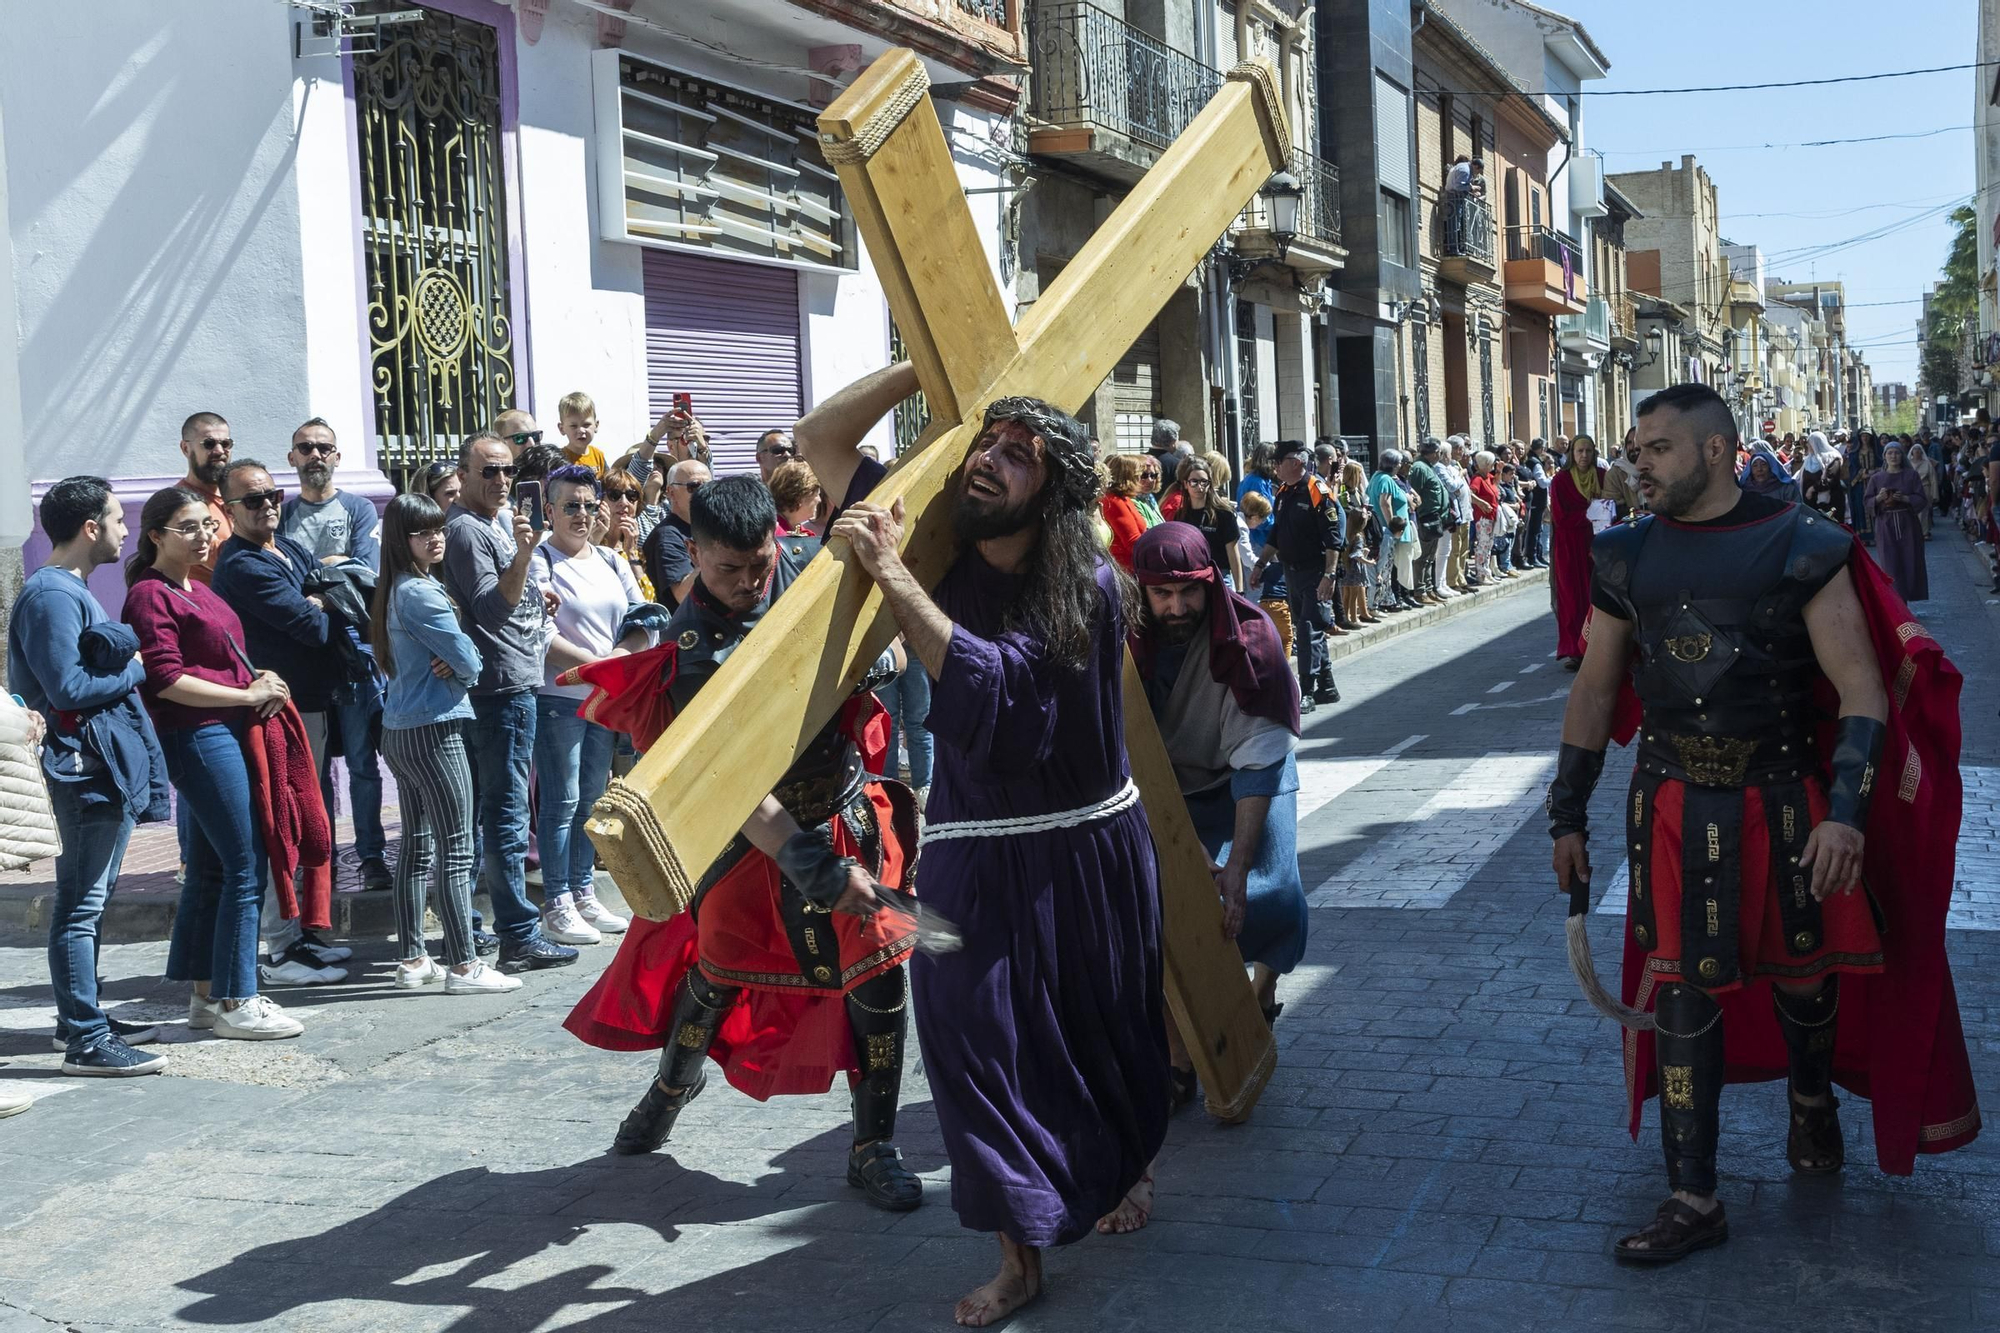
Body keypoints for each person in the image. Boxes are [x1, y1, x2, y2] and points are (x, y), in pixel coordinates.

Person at [1547, 382, 1979, 1264]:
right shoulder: (1623, 556)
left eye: (1657, 446)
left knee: (1804, 975)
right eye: (1636, 445)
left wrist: (1848, 819)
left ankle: (1811, 1101)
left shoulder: (1805, 545)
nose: (1638, 459)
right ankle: (1692, 1194)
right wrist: (1566, 813)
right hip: (1669, 803)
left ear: (1714, 451)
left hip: (1784, 798)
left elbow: (1859, 688)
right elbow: (1595, 688)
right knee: (1680, 987)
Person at [818, 369, 1171, 1325]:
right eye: (989, 443)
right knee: (967, 1036)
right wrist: (924, 373)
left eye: (1018, 454)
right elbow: (819, 442)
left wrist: (890, 575)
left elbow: (1002, 701)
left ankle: (1122, 1160)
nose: (989, 461)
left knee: (1103, 1034)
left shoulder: (1090, 587)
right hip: (969, 857)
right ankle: (1020, 1256)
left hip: (1088, 850)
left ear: (1052, 489)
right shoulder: (943, 546)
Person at [561, 475, 923, 1213]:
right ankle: (670, 1087)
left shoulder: (804, 567)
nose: (750, 582)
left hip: (846, 803)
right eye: (729, 569)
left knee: (880, 970)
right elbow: (731, 784)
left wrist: (876, 659)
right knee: (720, 973)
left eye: (759, 563)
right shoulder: (690, 651)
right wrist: (813, 867)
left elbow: (888, 641)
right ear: (693, 552)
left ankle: (872, 1145)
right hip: (754, 836)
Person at [123, 487, 314, 1041]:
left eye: (207, 525)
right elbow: (164, 679)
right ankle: (239, 997)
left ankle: (207, 995)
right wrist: (246, 697)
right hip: (199, 737)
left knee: (211, 870)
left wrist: (260, 680)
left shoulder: (198, 591)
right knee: (245, 864)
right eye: (188, 527)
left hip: (228, 731)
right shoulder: (149, 595)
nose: (204, 536)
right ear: (156, 535)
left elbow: (227, 661)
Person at [10, 477, 170, 1075]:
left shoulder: (68, 588)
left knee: (91, 902)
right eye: (117, 518)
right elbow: (67, 689)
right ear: (90, 528)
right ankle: (84, 1037)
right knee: (80, 905)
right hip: (82, 771)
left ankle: (82, 1016)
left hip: (99, 767)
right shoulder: (51, 594)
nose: (126, 530)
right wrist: (134, 669)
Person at [1130, 522, 1306, 1048]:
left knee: (1266, 894)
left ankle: (1262, 993)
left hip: (1249, 779)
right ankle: (1180, 1047)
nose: (1177, 607)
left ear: (1210, 583)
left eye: (1189, 592)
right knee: (1165, 911)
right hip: (1163, 790)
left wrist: (1236, 865)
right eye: (1161, 594)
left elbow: (1258, 762)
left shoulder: (1250, 643)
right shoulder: (1121, 642)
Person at [439, 432, 580, 972]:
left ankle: (477, 929)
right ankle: (518, 933)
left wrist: (528, 585)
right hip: (498, 689)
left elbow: (501, 597)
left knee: (488, 814)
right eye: (488, 472)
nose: (500, 481)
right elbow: (489, 611)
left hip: (507, 684)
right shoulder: (469, 531)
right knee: (504, 816)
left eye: (506, 471)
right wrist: (523, 559)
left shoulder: (492, 525)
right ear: (465, 475)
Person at [211, 460, 354, 986]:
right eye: (252, 500)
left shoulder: (285, 547)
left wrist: (323, 596)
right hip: (277, 710)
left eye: (272, 494)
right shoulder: (244, 564)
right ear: (228, 509)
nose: (268, 504)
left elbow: (331, 589)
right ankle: (280, 947)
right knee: (285, 826)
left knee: (312, 820)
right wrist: (320, 599)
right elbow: (315, 624)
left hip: (312, 703)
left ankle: (303, 933)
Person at [369, 493, 520, 995]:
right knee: (457, 846)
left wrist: (452, 661)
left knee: (417, 846)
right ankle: (463, 964)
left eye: (438, 529)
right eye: (422, 532)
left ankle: (413, 958)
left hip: (402, 727)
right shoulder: (421, 593)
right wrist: (460, 663)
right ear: (401, 539)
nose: (435, 537)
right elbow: (470, 661)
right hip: (434, 726)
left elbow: (450, 656)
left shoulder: (398, 588)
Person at [531, 465, 648, 945]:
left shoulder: (609, 559)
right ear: (549, 510)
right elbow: (539, 631)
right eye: (569, 506)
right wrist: (595, 668)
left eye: (587, 505)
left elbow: (645, 616)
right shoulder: (539, 561)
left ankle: (582, 891)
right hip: (560, 698)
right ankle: (555, 900)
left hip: (606, 699)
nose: (580, 515)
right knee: (561, 801)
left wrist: (616, 665)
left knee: (593, 800)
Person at [279, 418, 391, 893]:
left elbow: (365, 573)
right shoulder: (281, 513)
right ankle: (318, 856)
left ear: (338, 456)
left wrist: (311, 575)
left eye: (324, 447)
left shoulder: (358, 508)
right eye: (306, 448)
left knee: (363, 762)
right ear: (293, 458)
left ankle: (370, 855)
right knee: (313, 766)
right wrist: (328, 570)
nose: (315, 455)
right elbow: (275, 578)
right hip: (302, 656)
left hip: (355, 652)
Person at [1253, 439, 1342, 712]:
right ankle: (1327, 686)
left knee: (1307, 630)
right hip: (1291, 572)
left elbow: (1333, 538)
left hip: (1315, 571)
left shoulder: (1318, 491)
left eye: (1278, 463)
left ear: (1295, 462)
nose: (1274, 468)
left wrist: (1329, 574)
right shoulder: (1283, 492)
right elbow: (1277, 532)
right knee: (1310, 627)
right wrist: (1260, 564)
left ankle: (1308, 690)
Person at [1549, 433, 1606, 669]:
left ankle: (1599, 648)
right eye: (1579, 451)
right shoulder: (1560, 481)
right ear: (1572, 454)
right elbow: (1561, 517)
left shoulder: (1603, 477)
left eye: (1588, 451)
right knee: (1572, 597)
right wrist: (1591, 514)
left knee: (1598, 598)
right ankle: (1574, 650)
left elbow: (1610, 508)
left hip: (1598, 544)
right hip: (1569, 546)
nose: (1584, 456)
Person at [1158, 457, 1243, 589]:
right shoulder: (1180, 515)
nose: (1199, 487)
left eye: (1204, 482)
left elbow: (1233, 554)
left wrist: (1240, 589)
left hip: (1220, 576)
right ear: (1185, 484)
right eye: (1194, 482)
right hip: (1192, 578)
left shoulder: (1224, 514)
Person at [174, 412, 235, 584]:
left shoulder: (239, 495)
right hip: (208, 606)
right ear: (186, 448)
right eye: (208, 444)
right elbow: (221, 558)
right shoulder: (181, 503)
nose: (219, 451)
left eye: (226, 443)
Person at [1865, 440, 1929, 603]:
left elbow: (1922, 498)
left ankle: (1906, 599)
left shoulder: (1911, 475)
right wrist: (1878, 498)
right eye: (1890, 453)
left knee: (1910, 561)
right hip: (1886, 525)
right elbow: (1867, 501)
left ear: (1902, 455)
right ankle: (1896, 604)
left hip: (1907, 524)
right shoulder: (1876, 478)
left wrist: (1907, 498)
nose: (1893, 456)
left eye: (1897, 453)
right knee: (1890, 564)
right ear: (1885, 456)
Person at [642, 458, 708, 611]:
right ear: (671, 492)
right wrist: (716, 556)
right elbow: (682, 594)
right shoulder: (667, 536)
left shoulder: (708, 529)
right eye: (694, 486)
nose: (704, 492)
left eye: (709, 486)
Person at [1366, 450, 1416, 613]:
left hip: (1385, 530)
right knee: (1387, 567)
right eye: (1400, 462)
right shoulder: (1386, 479)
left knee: (1387, 567)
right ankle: (1384, 601)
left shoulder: (1376, 476)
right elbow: (1384, 503)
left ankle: (1387, 599)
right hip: (1388, 531)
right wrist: (1393, 526)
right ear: (1394, 465)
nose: (1401, 465)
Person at [598, 466, 655, 599]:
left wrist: (630, 553)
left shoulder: (638, 552)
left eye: (631, 496)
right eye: (614, 495)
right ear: (600, 501)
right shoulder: (586, 543)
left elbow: (647, 600)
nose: (624, 503)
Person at [1334, 460, 1379, 623]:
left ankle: (1363, 610)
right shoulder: (1344, 491)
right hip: (1351, 536)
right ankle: (1351, 615)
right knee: (1352, 585)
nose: (1361, 477)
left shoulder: (1358, 491)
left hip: (1359, 533)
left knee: (1358, 583)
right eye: (1359, 474)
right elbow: (1345, 513)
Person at [1408, 439, 1450, 604]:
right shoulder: (1419, 468)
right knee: (1422, 557)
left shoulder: (1428, 468)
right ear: (1433, 453)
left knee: (1430, 557)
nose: (1440, 456)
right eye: (1439, 452)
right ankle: (1420, 590)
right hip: (1424, 518)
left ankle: (1429, 588)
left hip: (1434, 518)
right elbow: (1414, 492)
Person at [1099, 454, 1151, 569]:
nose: (1141, 479)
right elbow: (1133, 542)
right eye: (1139, 475)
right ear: (1129, 477)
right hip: (1127, 569)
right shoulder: (1115, 502)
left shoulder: (1124, 499)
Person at [552, 391, 610, 474]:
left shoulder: (598, 455)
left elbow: (607, 484)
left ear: (596, 425)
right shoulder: (560, 459)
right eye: (574, 426)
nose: (581, 430)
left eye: (586, 425)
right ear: (562, 428)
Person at [1466, 450, 1499, 586]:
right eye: (1491, 464)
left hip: (1491, 515)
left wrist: (1500, 471)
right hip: (1483, 517)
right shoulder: (1477, 479)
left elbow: (1496, 483)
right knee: (1482, 545)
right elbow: (1471, 494)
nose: (1493, 466)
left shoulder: (1488, 476)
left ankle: (1487, 572)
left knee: (1488, 545)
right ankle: (1481, 574)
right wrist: (1482, 503)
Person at [768, 458, 825, 535]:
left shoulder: (806, 534)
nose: (819, 500)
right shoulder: (770, 535)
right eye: (817, 494)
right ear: (801, 497)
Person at [1520, 438, 1552, 567]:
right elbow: (1543, 483)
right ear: (1542, 448)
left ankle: (1537, 555)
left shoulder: (1532, 460)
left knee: (1537, 530)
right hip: (1536, 501)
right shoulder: (1535, 462)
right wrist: (1554, 477)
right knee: (1534, 530)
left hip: (1537, 500)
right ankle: (1532, 556)